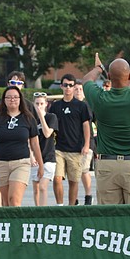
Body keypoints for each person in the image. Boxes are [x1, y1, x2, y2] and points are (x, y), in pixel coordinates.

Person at [82, 53, 130, 205]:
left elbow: (86, 80)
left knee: (109, 216)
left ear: (109, 77)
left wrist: (98, 68)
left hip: (107, 164)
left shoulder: (100, 99)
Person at [0, 86, 44, 206]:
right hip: (0, 163)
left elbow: (35, 143)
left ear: (20, 99)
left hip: (21, 163)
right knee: (6, 202)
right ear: (4, 100)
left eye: (15, 97)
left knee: (14, 200)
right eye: (8, 97)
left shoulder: (28, 118)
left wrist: (41, 165)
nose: (12, 99)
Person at [50, 74, 91, 206]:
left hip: (76, 149)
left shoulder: (81, 106)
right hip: (58, 148)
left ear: (74, 87)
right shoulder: (55, 106)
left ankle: (71, 207)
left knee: (73, 181)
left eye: (70, 85)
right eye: (65, 85)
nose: (68, 88)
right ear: (61, 86)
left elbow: (86, 126)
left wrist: (86, 144)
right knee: (57, 178)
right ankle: (60, 206)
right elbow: (50, 126)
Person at [31, 92, 58, 206]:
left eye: (41, 103)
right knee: (36, 188)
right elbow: (28, 139)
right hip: (36, 158)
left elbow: (47, 133)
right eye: (37, 103)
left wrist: (41, 116)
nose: (39, 106)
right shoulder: (31, 119)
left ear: (46, 104)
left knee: (43, 186)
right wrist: (31, 156)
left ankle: (43, 211)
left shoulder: (51, 117)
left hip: (48, 157)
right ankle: (37, 210)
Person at [74, 81, 95, 204]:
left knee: (83, 170)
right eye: (76, 89)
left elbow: (98, 122)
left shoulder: (89, 106)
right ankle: (74, 197)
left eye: (80, 89)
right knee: (74, 172)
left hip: (87, 142)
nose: (78, 91)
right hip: (73, 143)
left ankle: (88, 195)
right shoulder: (70, 105)